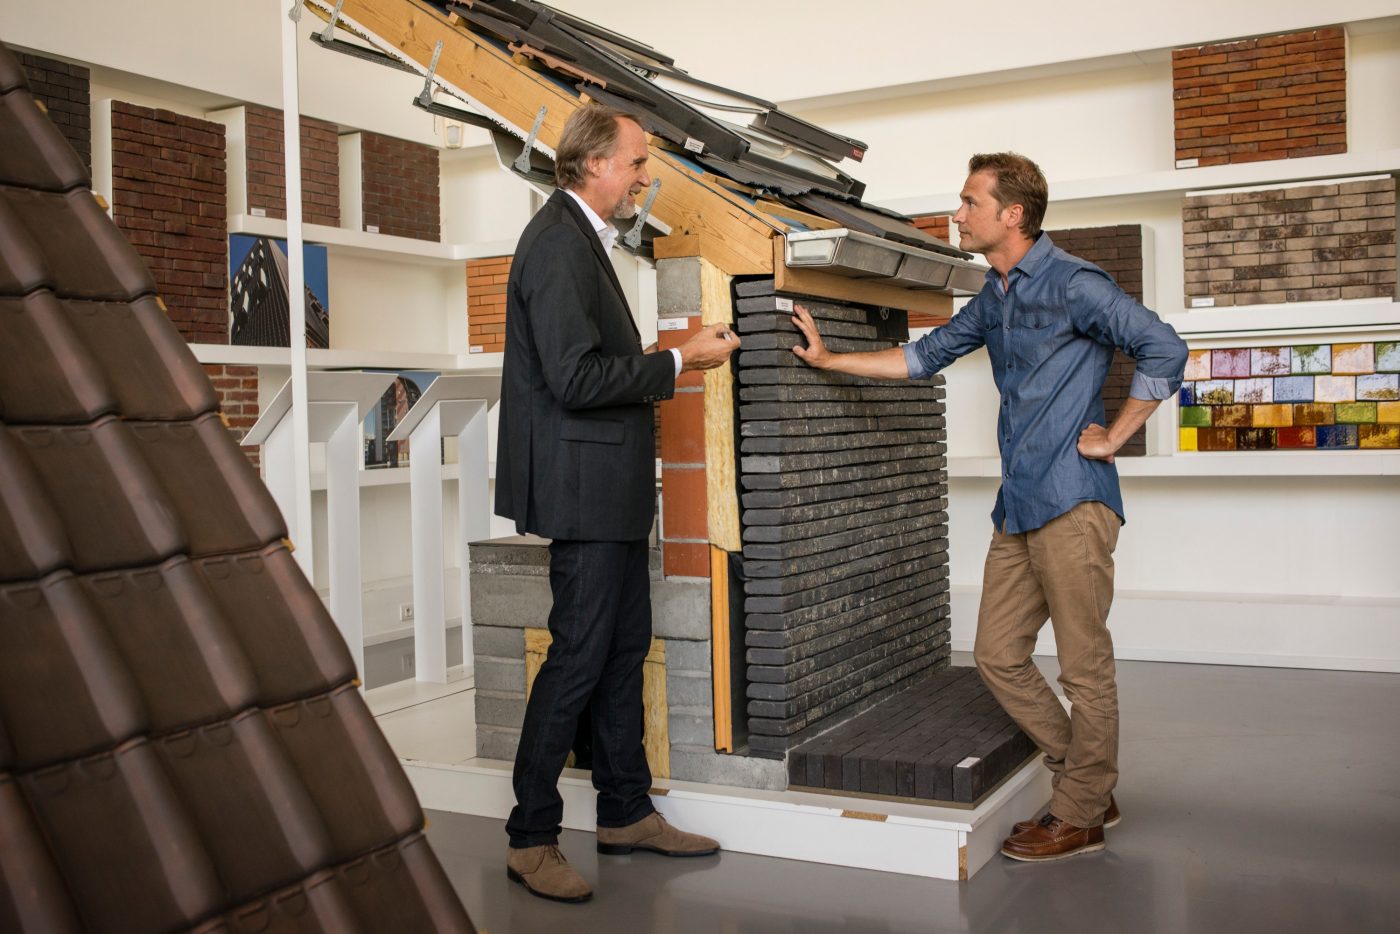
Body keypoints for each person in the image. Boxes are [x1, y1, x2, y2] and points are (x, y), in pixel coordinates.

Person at [790, 152, 1188, 862]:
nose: (958, 213)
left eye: (971, 201)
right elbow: (923, 357)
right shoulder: (995, 296)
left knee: (1082, 667)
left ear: (1013, 214)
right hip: (1021, 505)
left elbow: (1163, 347)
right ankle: (1088, 785)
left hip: (1073, 501)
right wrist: (827, 362)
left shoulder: (1075, 283)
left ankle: (1083, 812)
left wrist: (1118, 434)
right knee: (995, 655)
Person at [494, 102, 738, 902]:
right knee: (578, 657)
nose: (644, 176)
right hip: (584, 494)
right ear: (594, 163)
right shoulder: (558, 246)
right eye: (636, 162)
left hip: (609, 492)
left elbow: (585, 368)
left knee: (622, 649)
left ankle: (625, 812)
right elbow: (573, 379)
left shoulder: (579, 240)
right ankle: (531, 838)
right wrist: (677, 361)